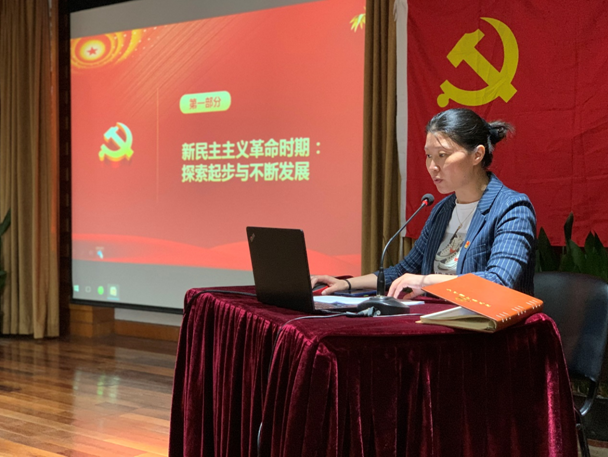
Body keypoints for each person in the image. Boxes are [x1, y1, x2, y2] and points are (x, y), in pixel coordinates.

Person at [311, 108, 536, 298]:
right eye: (429, 155)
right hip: (440, 323)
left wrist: (425, 281)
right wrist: (346, 283)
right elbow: (404, 271)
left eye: (442, 155)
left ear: (477, 155)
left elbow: (498, 282)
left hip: (493, 330)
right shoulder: (443, 210)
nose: (432, 166)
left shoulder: (511, 209)